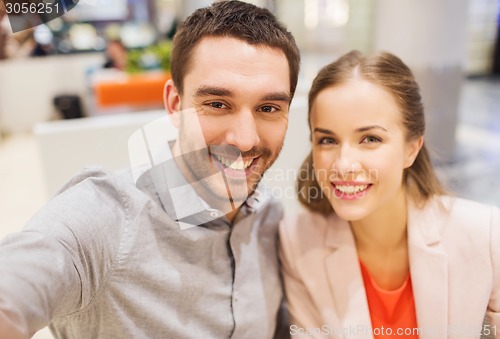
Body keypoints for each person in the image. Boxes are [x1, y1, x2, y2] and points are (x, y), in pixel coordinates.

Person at [0, 1, 300, 338]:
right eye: (217, 104)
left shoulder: (270, 214)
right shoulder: (107, 220)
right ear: (174, 104)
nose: (245, 140)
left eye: (269, 107)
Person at [279, 50, 499, 338]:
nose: (344, 165)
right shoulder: (296, 241)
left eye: (370, 139)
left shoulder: (486, 234)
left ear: (411, 148)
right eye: (327, 140)